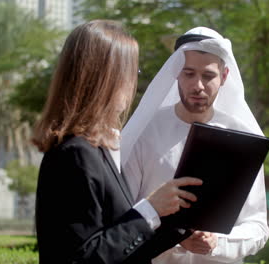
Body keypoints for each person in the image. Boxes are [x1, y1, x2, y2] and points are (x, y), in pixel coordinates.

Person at [33, 20, 203, 264]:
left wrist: (179, 226)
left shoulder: (97, 149)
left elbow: (120, 251)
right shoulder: (74, 154)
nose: (134, 82)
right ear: (105, 78)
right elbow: (82, 258)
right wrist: (150, 209)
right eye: (132, 72)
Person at [113, 27, 269, 264]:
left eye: (208, 76)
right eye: (188, 74)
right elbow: (125, 217)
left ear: (224, 77)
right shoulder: (145, 132)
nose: (198, 85)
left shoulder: (242, 137)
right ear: (176, 73)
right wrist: (173, 238)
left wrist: (216, 242)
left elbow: (257, 226)